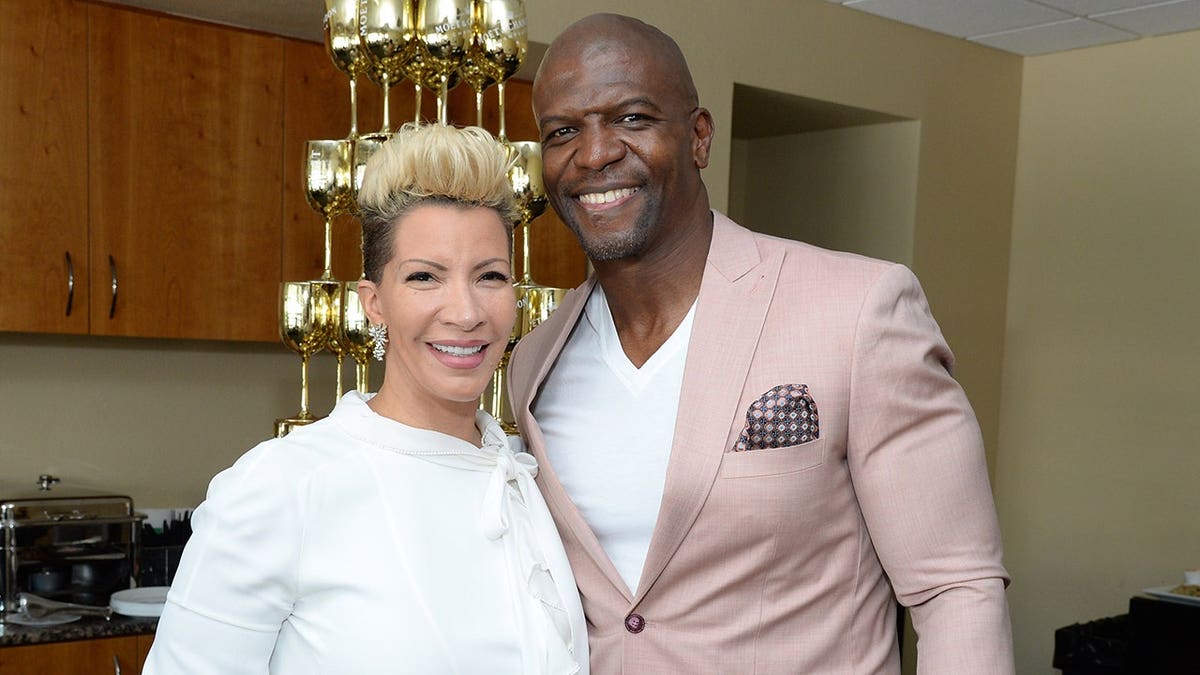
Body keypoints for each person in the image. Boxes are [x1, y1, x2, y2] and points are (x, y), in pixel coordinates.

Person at [506, 13, 1014, 674]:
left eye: (631, 118)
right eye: (563, 131)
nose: (595, 153)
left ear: (698, 137)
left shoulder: (858, 309)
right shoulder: (535, 360)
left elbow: (957, 587)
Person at [145, 123, 587, 674]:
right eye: (425, 276)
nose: (466, 311)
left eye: (490, 276)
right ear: (374, 303)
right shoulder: (283, 488)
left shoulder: (527, 480)